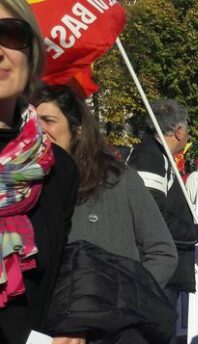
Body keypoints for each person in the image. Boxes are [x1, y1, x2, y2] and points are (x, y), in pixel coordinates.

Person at [0, 0, 83, 344]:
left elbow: (58, 274)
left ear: (31, 51)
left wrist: (72, 325)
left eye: (9, 34)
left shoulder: (59, 168)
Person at [34, 85, 177, 288]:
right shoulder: (22, 187)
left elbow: (163, 253)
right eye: (33, 122)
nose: (39, 129)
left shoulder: (118, 180)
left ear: (78, 129)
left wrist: (130, 295)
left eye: (49, 121)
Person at [126, 98, 198, 344]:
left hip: (159, 270)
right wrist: (197, 232)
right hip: (156, 272)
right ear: (180, 131)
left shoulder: (158, 156)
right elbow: (153, 218)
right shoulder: (151, 158)